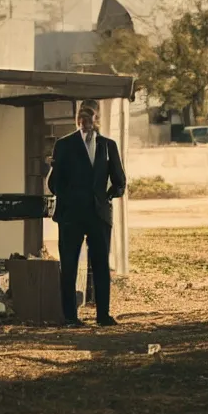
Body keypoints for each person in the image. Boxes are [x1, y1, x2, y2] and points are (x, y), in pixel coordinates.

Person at [48, 104, 126, 327]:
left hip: (99, 215)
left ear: (96, 119)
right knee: (69, 265)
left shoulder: (108, 146)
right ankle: (70, 317)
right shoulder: (64, 144)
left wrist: (108, 197)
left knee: (101, 265)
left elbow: (120, 181)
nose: (85, 121)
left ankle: (103, 315)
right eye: (81, 117)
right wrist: (69, 198)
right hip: (71, 215)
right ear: (76, 120)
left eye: (89, 116)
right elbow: (54, 182)